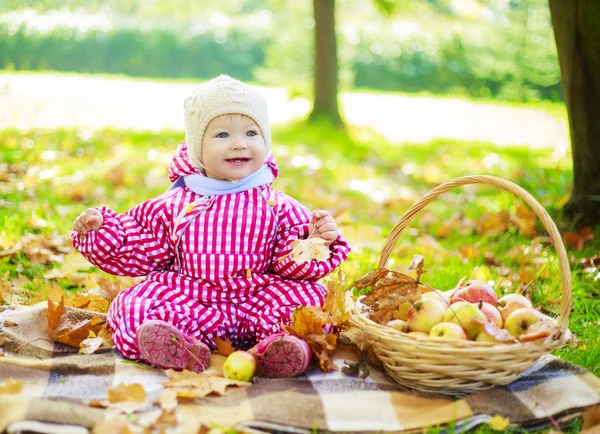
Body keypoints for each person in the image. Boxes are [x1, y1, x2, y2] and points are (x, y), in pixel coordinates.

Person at [72, 75, 350, 377]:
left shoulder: (277, 206)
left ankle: (273, 349)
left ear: (265, 141)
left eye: (251, 132)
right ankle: (181, 347)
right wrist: (102, 231)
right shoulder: (177, 204)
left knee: (310, 299)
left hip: (257, 298)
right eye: (222, 135)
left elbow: (289, 263)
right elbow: (140, 243)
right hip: (192, 298)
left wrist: (316, 239)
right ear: (196, 148)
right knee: (133, 303)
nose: (239, 143)